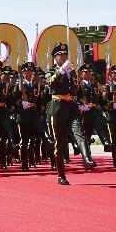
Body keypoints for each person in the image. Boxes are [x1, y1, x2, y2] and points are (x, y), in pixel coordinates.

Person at [46, 42, 96, 185]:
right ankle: (61, 175)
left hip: (71, 107)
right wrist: (61, 70)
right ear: (55, 58)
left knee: (79, 132)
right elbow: (49, 83)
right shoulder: (52, 71)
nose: (63, 56)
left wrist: (81, 101)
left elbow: (78, 91)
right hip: (58, 108)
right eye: (60, 55)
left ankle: (87, 159)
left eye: (65, 54)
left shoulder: (73, 73)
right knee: (60, 143)